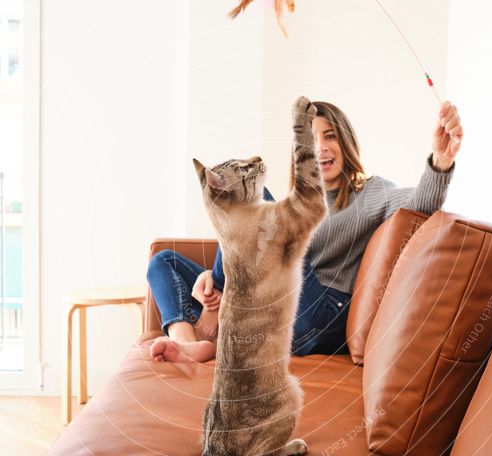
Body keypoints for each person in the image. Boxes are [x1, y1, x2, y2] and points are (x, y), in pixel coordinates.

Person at [147, 100, 463, 364]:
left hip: (321, 314)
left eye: (330, 136)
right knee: (164, 262)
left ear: (346, 143)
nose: (321, 147)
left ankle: (217, 298)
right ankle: (189, 343)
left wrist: (441, 160)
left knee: (253, 196)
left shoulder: (369, 193)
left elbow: (419, 205)